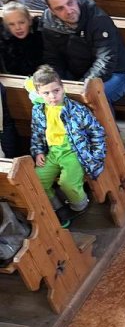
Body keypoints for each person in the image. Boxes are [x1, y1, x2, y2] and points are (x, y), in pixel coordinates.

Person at [39, 0, 125, 106]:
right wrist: (57, 84)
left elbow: (106, 60)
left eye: (70, 3)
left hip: (117, 73)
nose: (68, 10)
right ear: (51, 10)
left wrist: (82, 86)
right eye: (60, 8)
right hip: (78, 74)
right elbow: (53, 59)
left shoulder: (97, 19)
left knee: (90, 99)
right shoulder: (48, 23)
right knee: (49, 98)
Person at [29, 65, 106, 224]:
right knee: (36, 180)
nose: (52, 96)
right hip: (53, 152)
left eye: (56, 90)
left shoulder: (76, 110)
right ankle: (57, 208)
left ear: (62, 88)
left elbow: (96, 131)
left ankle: (79, 206)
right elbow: (37, 133)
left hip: (74, 152)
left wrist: (97, 156)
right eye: (46, 93)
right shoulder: (38, 110)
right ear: (38, 93)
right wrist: (38, 152)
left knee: (67, 183)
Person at [0, 1, 44, 77]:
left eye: (21, 22)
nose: (18, 28)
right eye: (12, 24)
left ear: (29, 21)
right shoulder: (5, 42)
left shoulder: (40, 36)